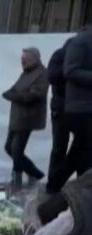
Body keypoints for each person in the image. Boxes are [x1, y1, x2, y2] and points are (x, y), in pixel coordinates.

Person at [49, 26, 92, 193]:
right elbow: (70, 71)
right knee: (78, 151)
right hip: (79, 109)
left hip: (84, 108)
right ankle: (57, 186)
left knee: (82, 150)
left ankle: (73, 189)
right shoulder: (80, 42)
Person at [3, 47, 49, 188]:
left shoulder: (42, 73)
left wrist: (15, 96)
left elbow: (36, 94)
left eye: (25, 60)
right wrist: (11, 93)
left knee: (16, 149)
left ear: (35, 58)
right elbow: (16, 88)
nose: (22, 62)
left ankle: (16, 180)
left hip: (29, 116)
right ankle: (35, 173)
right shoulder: (27, 72)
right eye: (22, 60)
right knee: (9, 148)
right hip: (18, 116)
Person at [50, 43, 70, 183]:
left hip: (77, 106)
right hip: (62, 106)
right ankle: (54, 183)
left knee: (83, 148)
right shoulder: (61, 54)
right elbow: (52, 76)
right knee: (59, 147)